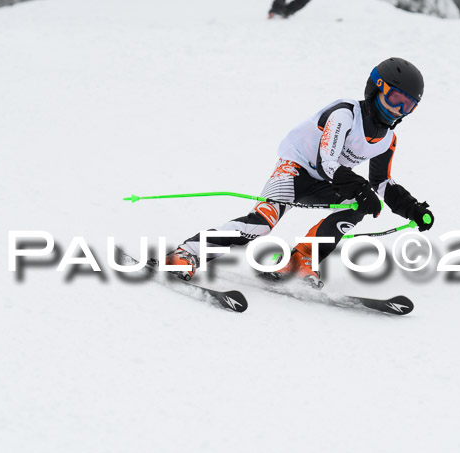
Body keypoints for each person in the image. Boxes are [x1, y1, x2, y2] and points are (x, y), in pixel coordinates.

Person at [166, 57, 435, 288]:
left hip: (326, 183)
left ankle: (302, 258)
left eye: (408, 106)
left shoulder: (388, 139)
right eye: (395, 99)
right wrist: (361, 188)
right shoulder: (345, 114)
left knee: (358, 205)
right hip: (295, 171)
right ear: (376, 88)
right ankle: (186, 253)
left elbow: (382, 182)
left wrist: (411, 208)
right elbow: (327, 161)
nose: (399, 110)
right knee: (261, 225)